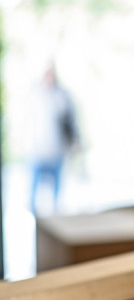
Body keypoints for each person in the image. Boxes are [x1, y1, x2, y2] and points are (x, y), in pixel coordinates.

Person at [27, 61, 79, 215]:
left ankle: (55, 214)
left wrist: (75, 141)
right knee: (33, 191)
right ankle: (34, 214)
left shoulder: (61, 97)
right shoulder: (36, 95)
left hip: (56, 151)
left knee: (56, 192)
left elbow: (70, 121)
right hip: (37, 151)